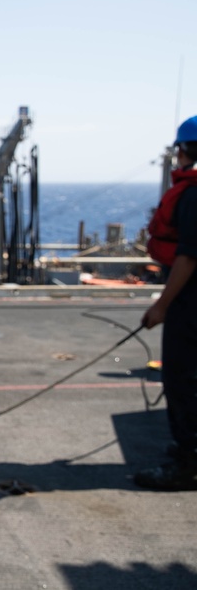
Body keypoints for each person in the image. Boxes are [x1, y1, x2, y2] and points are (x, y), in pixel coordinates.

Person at [137, 116, 197, 491]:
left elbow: (189, 257)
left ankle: (188, 464)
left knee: (183, 380)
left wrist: (161, 306)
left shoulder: (193, 194)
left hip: (191, 306)